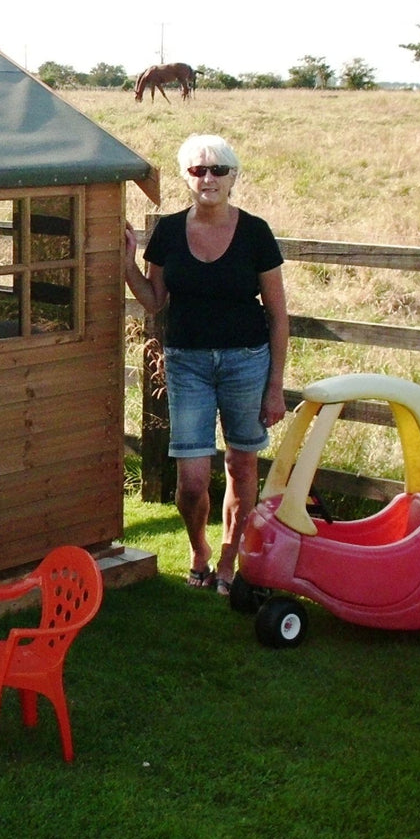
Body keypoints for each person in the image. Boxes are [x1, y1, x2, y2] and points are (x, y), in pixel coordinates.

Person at [122, 134, 288, 596]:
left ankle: (230, 560)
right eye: (199, 170)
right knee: (192, 480)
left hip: (246, 362)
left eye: (218, 170)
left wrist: (275, 386)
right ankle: (199, 550)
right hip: (187, 363)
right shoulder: (170, 232)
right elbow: (155, 302)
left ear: (234, 177)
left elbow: (277, 315)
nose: (209, 178)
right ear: (186, 176)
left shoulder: (255, 232)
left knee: (241, 465)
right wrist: (127, 264)